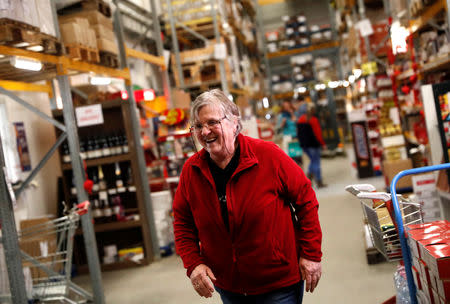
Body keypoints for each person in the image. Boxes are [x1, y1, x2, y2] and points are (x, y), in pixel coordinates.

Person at [173, 89, 322, 304]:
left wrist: (310, 254)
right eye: (198, 126)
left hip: (278, 284)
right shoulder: (191, 171)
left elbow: (306, 201)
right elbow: (183, 222)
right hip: (230, 287)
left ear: (234, 123)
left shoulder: (269, 156)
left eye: (212, 122)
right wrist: (193, 263)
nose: (205, 132)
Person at [297, 102, 327, 188]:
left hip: (305, 146)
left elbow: (298, 133)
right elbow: (318, 134)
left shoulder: (300, 120)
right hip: (313, 145)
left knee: (313, 161)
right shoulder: (313, 120)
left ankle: (309, 176)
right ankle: (319, 181)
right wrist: (323, 144)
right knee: (316, 162)